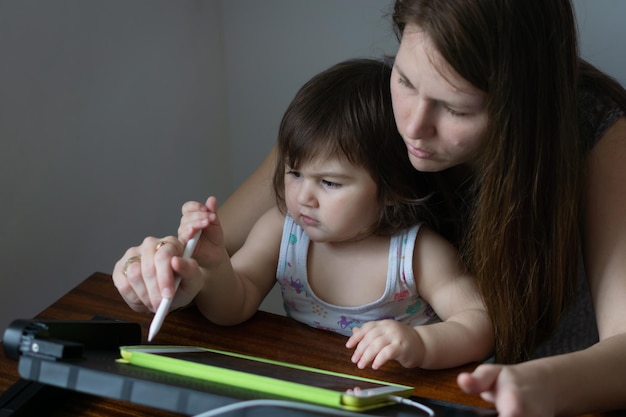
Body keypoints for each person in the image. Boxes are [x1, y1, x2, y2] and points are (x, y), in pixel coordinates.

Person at [212, 2, 626, 417]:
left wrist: (535, 383)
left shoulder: (600, 135)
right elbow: (214, 244)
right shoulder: (364, 110)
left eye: (455, 108)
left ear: (521, 106)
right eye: (406, 80)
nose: (412, 127)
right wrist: (164, 264)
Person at [114, 58, 493, 371]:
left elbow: (479, 323)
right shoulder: (284, 231)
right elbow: (236, 304)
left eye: (329, 183)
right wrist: (214, 267)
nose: (302, 197)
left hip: (393, 396)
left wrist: (421, 344)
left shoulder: (417, 254)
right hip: (309, 388)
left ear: (392, 190)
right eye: (294, 173)